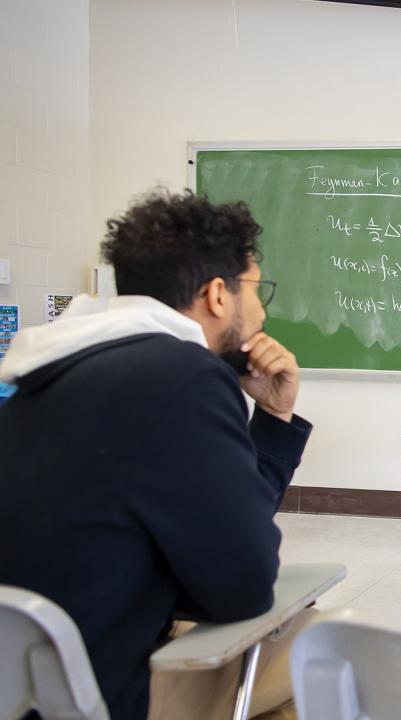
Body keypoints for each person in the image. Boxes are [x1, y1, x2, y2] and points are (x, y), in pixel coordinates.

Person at [0, 189, 312, 720]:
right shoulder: (185, 378)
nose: (260, 310)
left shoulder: (46, 371)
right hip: (100, 692)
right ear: (218, 295)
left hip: (24, 682)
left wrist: (273, 418)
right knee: (320, 643)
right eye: (258, 290)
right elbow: (244, 586)